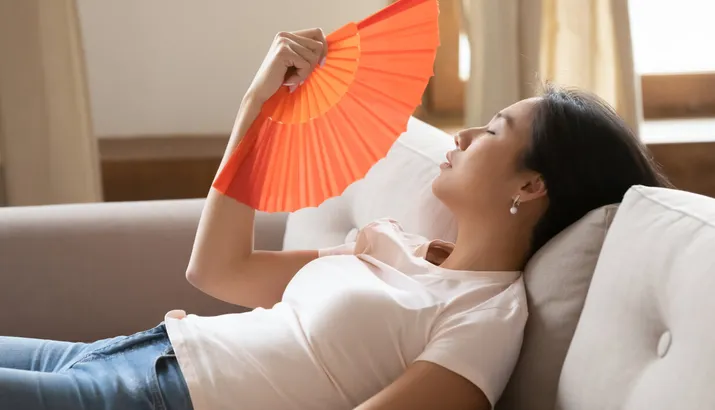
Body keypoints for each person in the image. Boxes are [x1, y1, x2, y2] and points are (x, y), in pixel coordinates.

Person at [0, 28, 670, 410]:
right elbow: (216, 270)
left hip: (163, 401)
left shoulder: (486, 320)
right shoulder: (397, 246)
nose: (462, 135)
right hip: (132, 352)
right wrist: (256, 104)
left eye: (493, 130)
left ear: (532, 183)